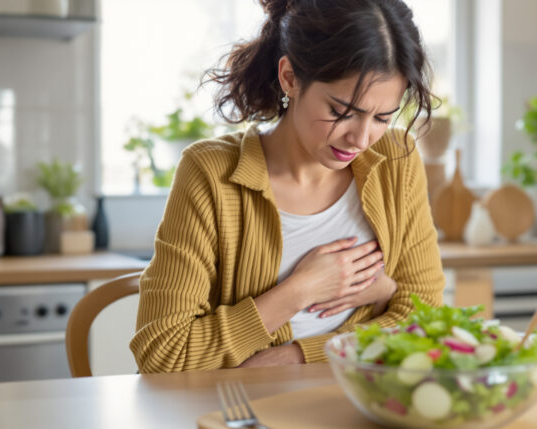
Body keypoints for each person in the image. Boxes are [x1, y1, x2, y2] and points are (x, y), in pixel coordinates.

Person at [130, 0, 445, 373]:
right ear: (290, 78)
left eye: (382, 117)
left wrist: (296, 355)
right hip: (235, 408)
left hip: (353, 403)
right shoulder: (212, 173)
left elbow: (425, 319)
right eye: (342, 112)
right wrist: (300, 290)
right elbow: (163, 354)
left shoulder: (395, 159)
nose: (360, 138)